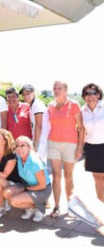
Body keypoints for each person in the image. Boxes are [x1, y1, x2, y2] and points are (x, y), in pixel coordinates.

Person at [47, 81, 84, 218]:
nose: (56, 90)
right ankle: (56, 207)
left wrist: (80, 147)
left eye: (59, 88)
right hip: (53, 144)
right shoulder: (50, 105)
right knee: (56, 176)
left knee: (69, 176)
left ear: (66, 90)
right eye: (54, 88)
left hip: (70, 145)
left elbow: (81, 127)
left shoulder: (74, 104)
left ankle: (71, 208)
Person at [6, 136, 51, 222]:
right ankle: (30, 207)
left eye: (22, 145)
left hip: (42, 189)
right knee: (6, 193)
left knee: (13, 201)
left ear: (29, 147)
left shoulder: (35, 161)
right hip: (28, 186)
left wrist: (26, 189)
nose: (19, 148)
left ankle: (39, 207)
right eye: (17, 146)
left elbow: (43, 185)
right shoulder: (19, 158)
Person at [81, 83, 104, 202]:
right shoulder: (82, 111)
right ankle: (101, 207)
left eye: (93, 93)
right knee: (97, 178)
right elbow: (81, 130)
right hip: (91, 147)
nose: (90, 96)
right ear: (84, 96)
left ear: (99, 95)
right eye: (87, 93)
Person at [19, 84, 50, 160]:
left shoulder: (36, 105)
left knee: (38, 164)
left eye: (28, 93)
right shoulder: (32, 105)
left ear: (33, 93)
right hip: (40, 139)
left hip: (41, 140)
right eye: (24, 95)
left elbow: (38, 126)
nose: (26, 96)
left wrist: (35, 145)